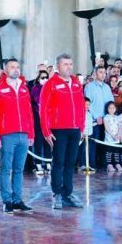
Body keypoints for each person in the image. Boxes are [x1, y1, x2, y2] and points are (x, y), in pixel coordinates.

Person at [0, 58, 35, 214]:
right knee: (6, 168)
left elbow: (29, 113)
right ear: (5, 70)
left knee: (19, 169)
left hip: (23, 134)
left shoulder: (23, 88)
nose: (16, 70)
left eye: (17, 67)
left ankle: (17, 200)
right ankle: (7, 200)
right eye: (12, 67)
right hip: (6, 134)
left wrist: (31, 133)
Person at [40, 53, 86, 210]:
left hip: (75, 130)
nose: (69, 67)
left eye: (70, 64)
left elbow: (81, 106)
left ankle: (68, 194)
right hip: (58, 130)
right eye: (65, 64)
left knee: (70, 163)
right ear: (58, 66)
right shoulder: (50, 84)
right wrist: (46, 131)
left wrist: (81, 127)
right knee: (58, 162)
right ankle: (57, 194)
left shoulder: (76, 84)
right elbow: (43, 109)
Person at [83, 66, 114, 171]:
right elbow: (88, 103)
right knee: (93, 142)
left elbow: (110, 102)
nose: (103, 74)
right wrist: (97, 117)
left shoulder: (107, 87)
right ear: (95, 74)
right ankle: (92, 164)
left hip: (106, 119)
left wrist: (108, 116)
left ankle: (103, 163)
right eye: (100, 72)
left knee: (104, 141)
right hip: (95, 120)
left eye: (104, 72)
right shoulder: (89, 87)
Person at [30, 70, 51, 174]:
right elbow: (38, 100)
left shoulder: (50, 88)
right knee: (38, 141)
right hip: (38, 118)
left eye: (46, 77)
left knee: (48, 141)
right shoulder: (35, 88)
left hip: (48, 119)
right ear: (38, 79)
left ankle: (48, 163)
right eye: (42, 77)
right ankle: (38, 164)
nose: (45, 79)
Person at [103, 101, 122, 172]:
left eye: (113, 108)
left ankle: (117, 164)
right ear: (107, 109)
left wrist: (118, 135)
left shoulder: (117, 117)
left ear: (115, 109)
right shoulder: (106, 117)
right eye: (110, 108)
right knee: (109, 151)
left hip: (117, 139)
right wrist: (113, 135)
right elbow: (107, 128)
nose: (111, 109)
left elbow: (120, 127)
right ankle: (109, 165)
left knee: (116, 152)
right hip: (109, 139)